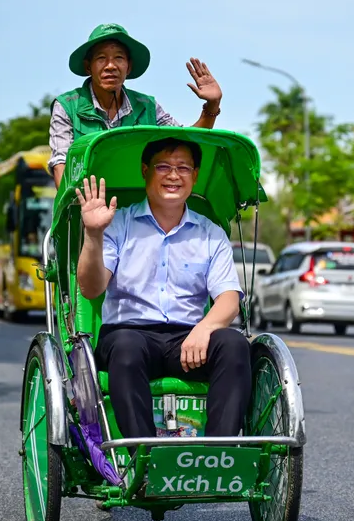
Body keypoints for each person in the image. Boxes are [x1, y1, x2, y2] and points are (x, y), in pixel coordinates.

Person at [76, 137, 251, 450]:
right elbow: (91, 288)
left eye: (183, 168)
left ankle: (217, 454)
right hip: (128, 335)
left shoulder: (210, 233)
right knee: (127, 348)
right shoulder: (119, 224)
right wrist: (93, 233)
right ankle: (143, 457)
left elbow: (228, 298)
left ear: (195, 175)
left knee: (234, 344)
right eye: (164, 167)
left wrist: (205, 329)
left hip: (188, 340)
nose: (173, 175)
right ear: (145, 171)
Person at [48, 23, 223, 188]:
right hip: (88, 204)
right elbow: (60, 162)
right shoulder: (67, 106)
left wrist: (212, 105)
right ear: (88, 67)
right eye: (101, 58)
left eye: (119, 58)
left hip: (137, 205)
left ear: (129, 67)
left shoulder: (148, 106)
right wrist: (76, 204)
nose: (111, 66)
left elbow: (185, 142)